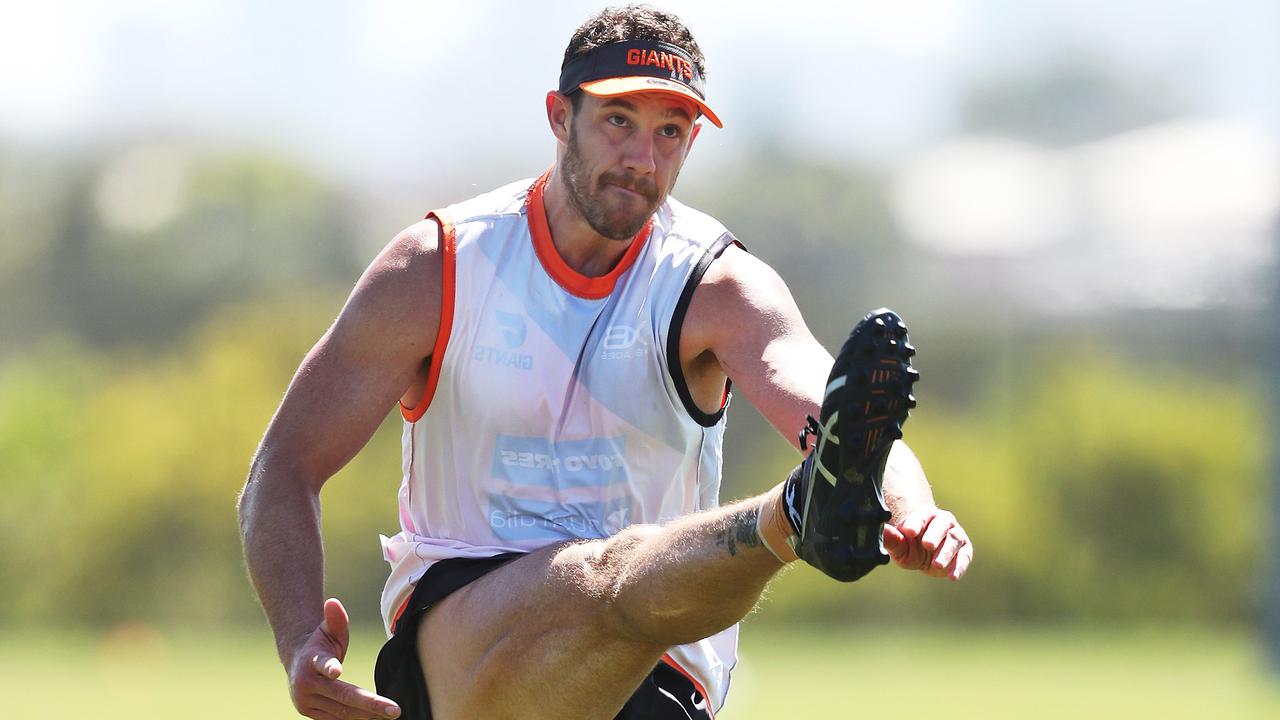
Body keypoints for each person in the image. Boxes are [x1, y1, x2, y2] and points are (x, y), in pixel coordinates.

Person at [238, 5, 973, 719]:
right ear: (561, 116)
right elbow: (283, 467)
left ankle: (802, 510)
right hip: (465, 646)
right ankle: (789, 518)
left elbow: (839, 409)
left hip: (655, 669)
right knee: (600, 575)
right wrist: (300, 639)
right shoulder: (439, 267)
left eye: (671, 133)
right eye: (619, 122)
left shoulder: (716, 284)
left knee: (622, 580)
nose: (642, 159)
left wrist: (912, 506)